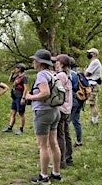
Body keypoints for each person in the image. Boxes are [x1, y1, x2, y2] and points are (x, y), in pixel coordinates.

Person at [25, 49, 62, 184]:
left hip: (43, 113)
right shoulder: (52, 74)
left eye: (35, 60)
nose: (33, 62)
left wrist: (31, 97)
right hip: (55, 112)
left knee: (43, 146)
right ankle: (56, 173)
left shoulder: (41, 75)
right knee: (54, 143)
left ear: (40, 62)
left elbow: (45, 93)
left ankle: (44, 176)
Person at [52, 54, 73, 168]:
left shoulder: (60, 76)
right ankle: (69, 158)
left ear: (62, 64)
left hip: (61, 108)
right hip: (67, 108)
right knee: (66, 133)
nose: (55, 64)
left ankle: (61, 161)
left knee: (60, 135)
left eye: (57, 62)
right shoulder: (68, 75)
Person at [3, 63, 29, 135]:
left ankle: (21, 129)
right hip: (14, 97)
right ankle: (10, 127)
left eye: (17, 68)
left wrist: (23, 98)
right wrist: (12, 74)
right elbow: (10, 80)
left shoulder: (24, 77)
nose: (15, 69)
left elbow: (26, 88)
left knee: (21, 113)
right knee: (13, 112)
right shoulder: (18, 76)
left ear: (20, 69)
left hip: (20, 97)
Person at [85, 48, 102, 125]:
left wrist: (85, 71)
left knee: (92, 103)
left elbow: (87, 73)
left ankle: (94, 121)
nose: (89, 54)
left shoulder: (95, 62)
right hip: (93, 84)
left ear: (94, 54)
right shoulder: (94, 62)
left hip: (92, 84)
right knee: (92, 103)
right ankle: (94, 120)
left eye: (90, 53)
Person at [69, 57, 83, 147]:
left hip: (73, 100)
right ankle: (79, 140)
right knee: (76, 120)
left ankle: (66, 143)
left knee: (66, 122)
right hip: (79, 99)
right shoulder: (77, 72)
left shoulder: (70, 74)